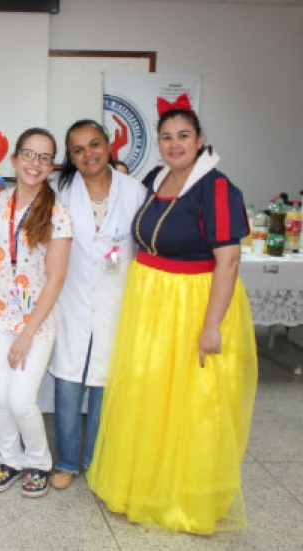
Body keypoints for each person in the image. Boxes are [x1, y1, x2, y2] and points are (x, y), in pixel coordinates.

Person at [86, 97, 258, 534]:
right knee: (148, 396)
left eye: (184, 135)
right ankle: (144, 484)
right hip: (151, 302)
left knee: (191, 403)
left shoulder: (217, 188)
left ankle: (185, 497)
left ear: (200, 140)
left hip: (193, 303)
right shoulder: (155, 177)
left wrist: (211, 326)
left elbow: (229, 260)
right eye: (166, 136)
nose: (174, 144)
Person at [48, 120, 146, 490]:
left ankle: (96, 460)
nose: (88, 154)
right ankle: (66, 463)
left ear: (108, 145)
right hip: (71, 300)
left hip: (115, 301)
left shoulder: (134, 192)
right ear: (70, 157)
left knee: (105, 387)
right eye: (78, 149)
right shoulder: (60, 191)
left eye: (94, 144)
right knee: (68, 388)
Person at [0, 128, 72, 498]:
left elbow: (56, 279)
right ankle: (10, 460)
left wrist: (27, 333)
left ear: (51, 166)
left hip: (36, 322)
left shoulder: (57, 213)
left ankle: (38, 462)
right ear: (14, 159)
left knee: (20, 400)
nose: (35, 163)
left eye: (44, 157)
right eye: (29, 155)